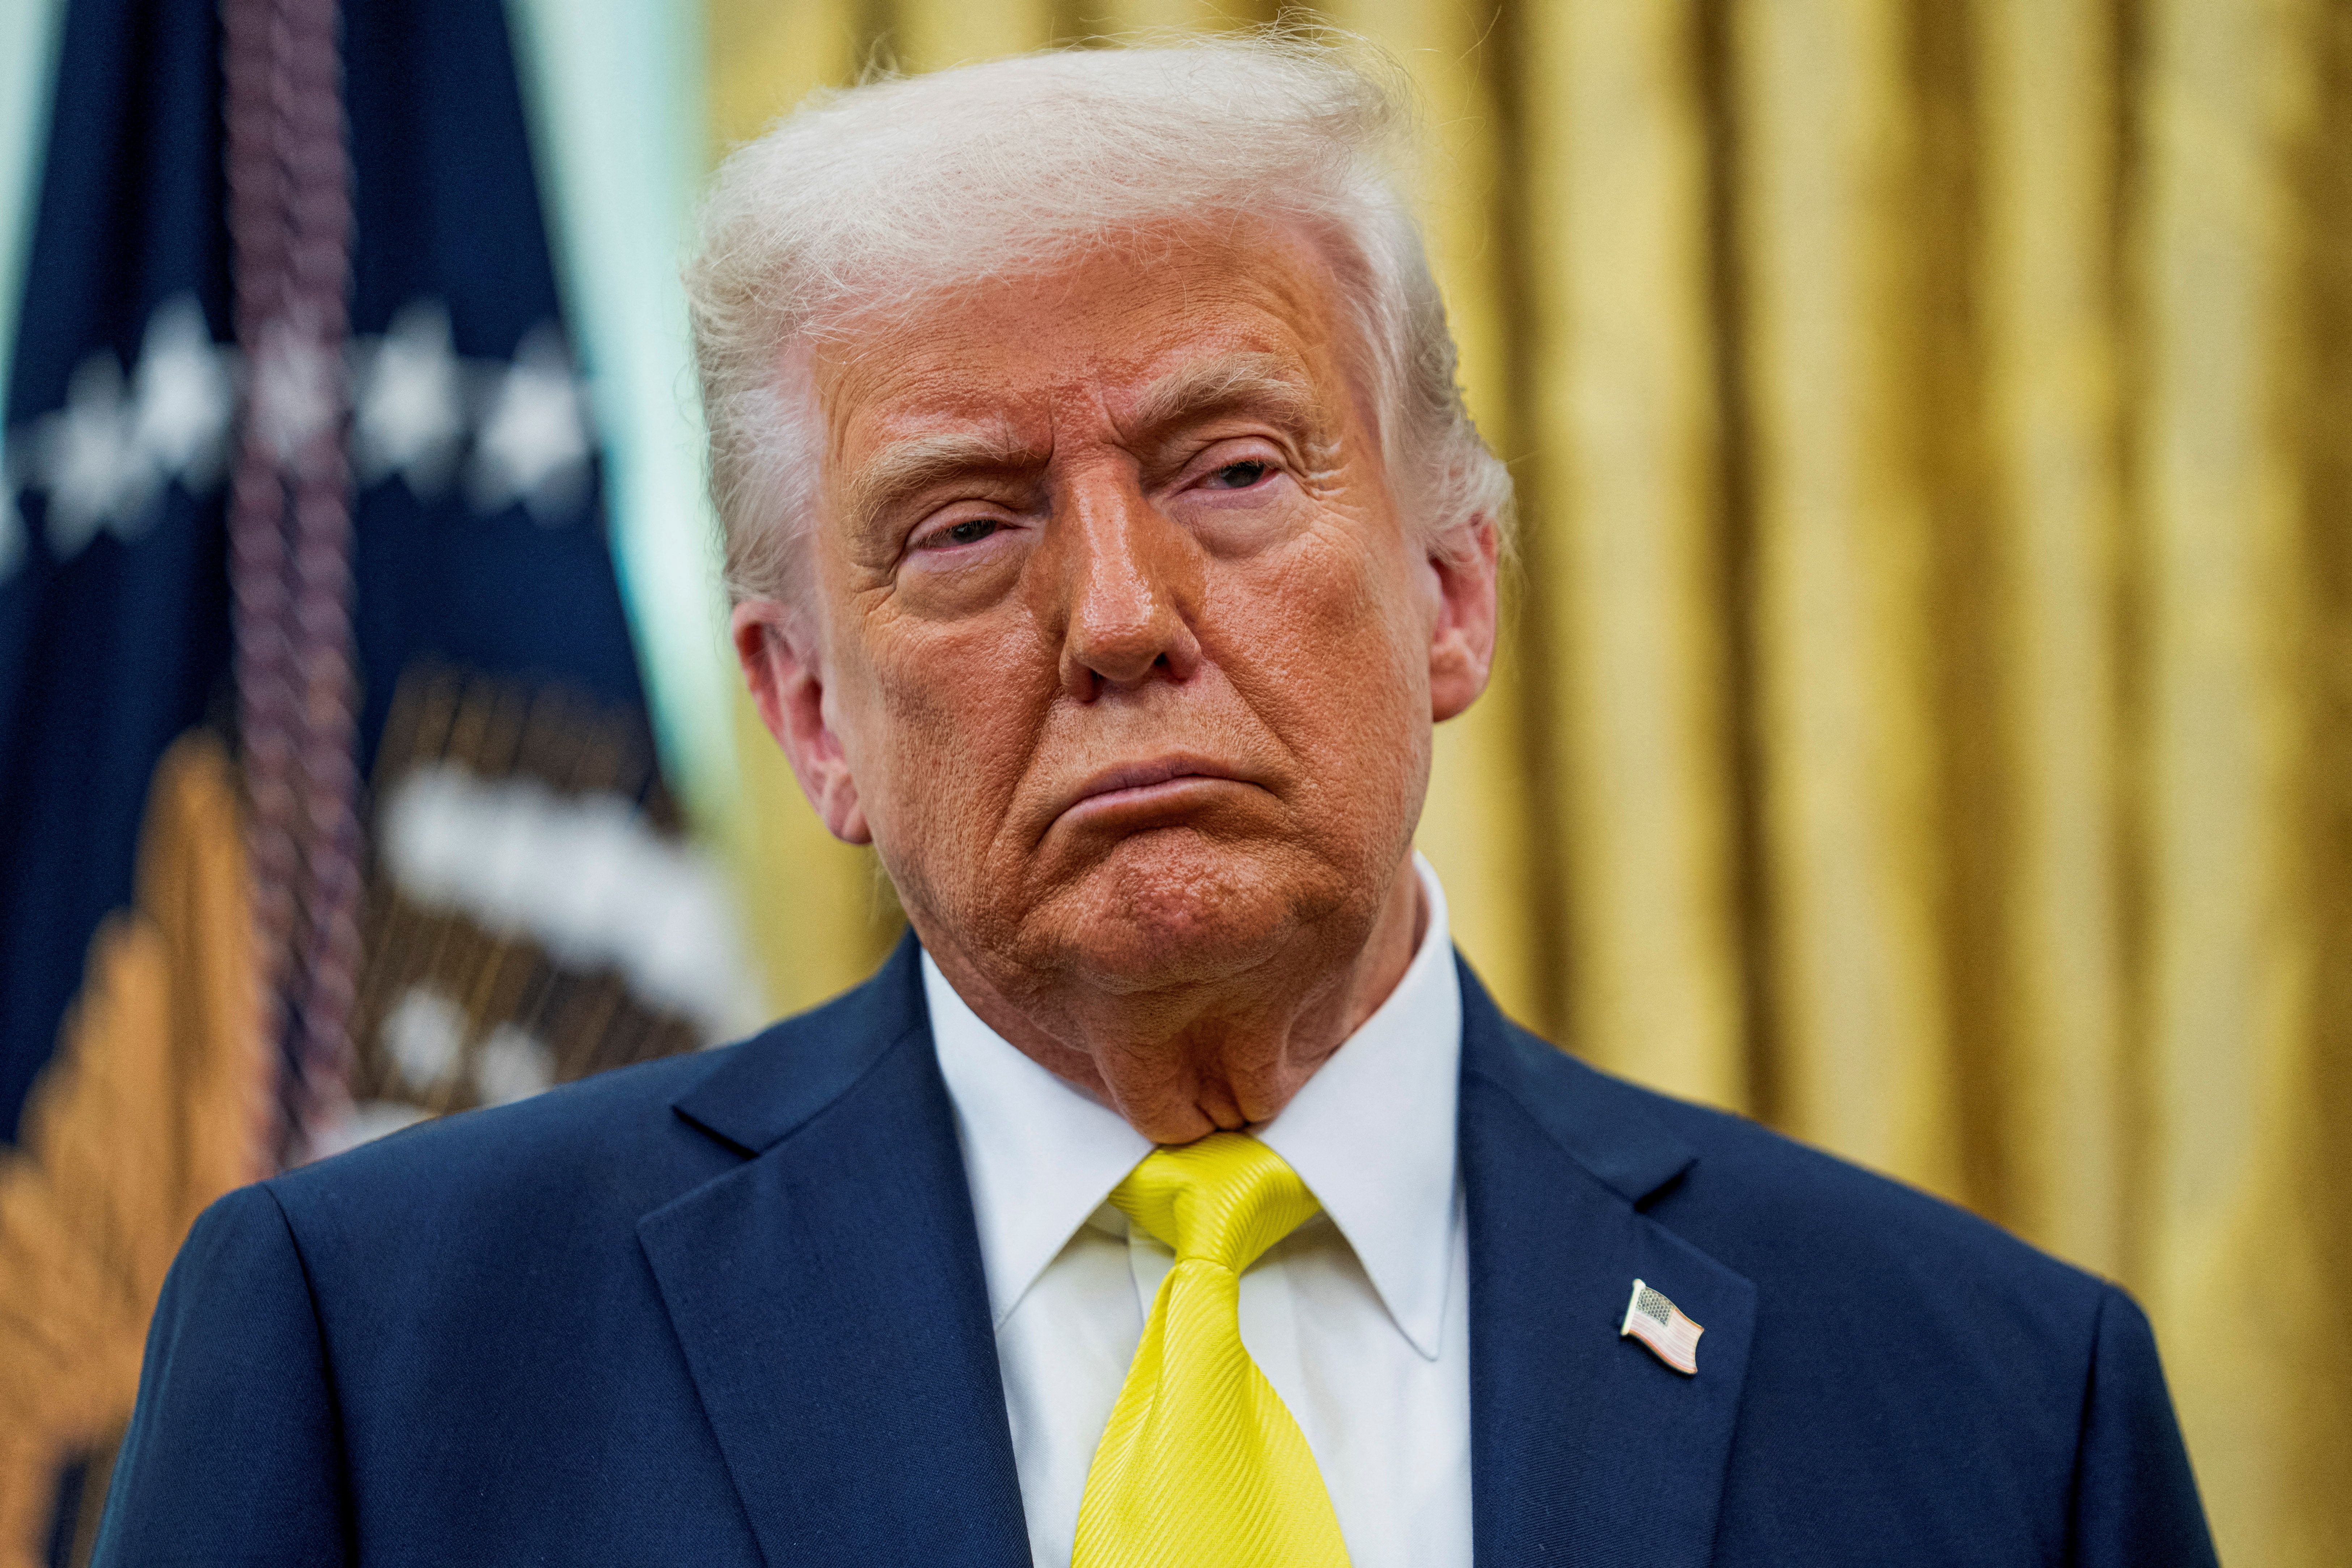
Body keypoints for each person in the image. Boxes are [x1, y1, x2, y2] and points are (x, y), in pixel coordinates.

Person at [95, 37, 2216, 1568]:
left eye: (1227, 471)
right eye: (959, 526)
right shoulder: (379, 1360)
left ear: (1453, 589)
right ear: (806, 712)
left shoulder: (1996, 1409)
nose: (1118, 617)